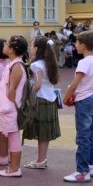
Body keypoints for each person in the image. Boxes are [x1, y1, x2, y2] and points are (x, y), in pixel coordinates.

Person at [62, 31, 93, 183]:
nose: (76, 46)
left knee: (83, 135)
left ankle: (82, 171)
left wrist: (65, 98)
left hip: (84, 99)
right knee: (90, 133)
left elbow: (75, 84)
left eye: (77, 43)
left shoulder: (83, 62)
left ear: (83, 46)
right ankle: (91, 165)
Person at [23, 37, 61, 170]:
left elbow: (37, 84)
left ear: (37, 48)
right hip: (51, 99)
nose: (30, 48)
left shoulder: (36, 65)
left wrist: (28, 96)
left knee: (41, 131)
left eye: (32, 45)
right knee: (45, 133)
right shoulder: (50, 62)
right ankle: (42, 159)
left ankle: (40, 160)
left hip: (40, 100)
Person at [0, 36, 28, 178]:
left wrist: (5, 104)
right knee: (12, 136)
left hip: (10, 109)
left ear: (11, 49)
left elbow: (12, 91)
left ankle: (15, 168)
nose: (4, 44)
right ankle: (13, 166)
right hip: (8, 108)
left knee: (14, 137)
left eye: (6, 43)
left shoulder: (16, 66)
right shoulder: (14, 64)